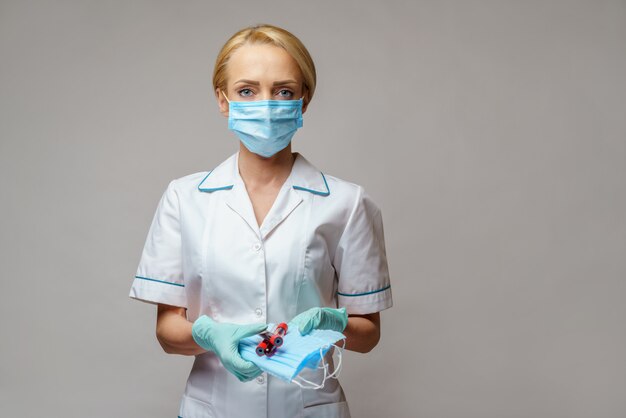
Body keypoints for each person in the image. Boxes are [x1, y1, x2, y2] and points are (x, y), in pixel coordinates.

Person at [129, 24, 393, 418]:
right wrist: (210, 335)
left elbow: (367, 334)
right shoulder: (184, 199)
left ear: (304, 101)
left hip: (308, 406)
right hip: (213, 407)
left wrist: (332, 323)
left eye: (284, 91)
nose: (266, 104)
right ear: (224, 100)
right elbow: (168, 332)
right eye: (247, 91)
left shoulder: (347, 203)